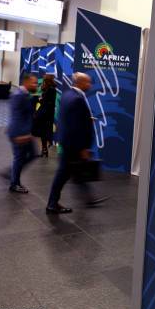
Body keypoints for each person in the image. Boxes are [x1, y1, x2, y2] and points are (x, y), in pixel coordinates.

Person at [46, 72, 108, 214]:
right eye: (87, 82)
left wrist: (87, 119)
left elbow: (70, 120)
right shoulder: (77, 99)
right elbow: (75, 127)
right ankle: (52, 204)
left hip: (67, 141)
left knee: (74, 172)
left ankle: (87, 198)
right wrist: (83, 148)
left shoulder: (68, 95)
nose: (90, 85)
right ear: (79, 82)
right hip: (73, 145)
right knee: (63, 174)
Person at [5, 73, 39, 193]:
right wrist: (20, 134)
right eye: (34, 83)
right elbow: (17, 116)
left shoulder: (24, 94)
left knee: (32, 155)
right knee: (19, 158)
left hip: (23, 132)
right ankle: (14, 183)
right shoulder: (19, 95)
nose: (36, 85)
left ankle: (11, 174)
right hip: (19, 133)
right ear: (26, 82)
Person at [32, 74, 57, 157]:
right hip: (46, 113)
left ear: (47, 81)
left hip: (45, 114)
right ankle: (44, 149)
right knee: (44, 132)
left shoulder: (51, 89)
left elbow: (49, 103)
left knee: (44, 132)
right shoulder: (49, 89)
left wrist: (41, 100)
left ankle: (45, 148)